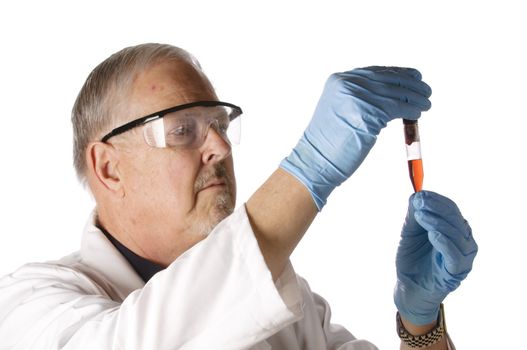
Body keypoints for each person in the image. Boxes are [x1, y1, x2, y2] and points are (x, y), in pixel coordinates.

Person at [0, 43, 477, 350]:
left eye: (220, 126)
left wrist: (422, 327)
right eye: (183, 129)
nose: (221, 148)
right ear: (109, 167)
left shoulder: (287, 309)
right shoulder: (32, 304)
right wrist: (310, 168)